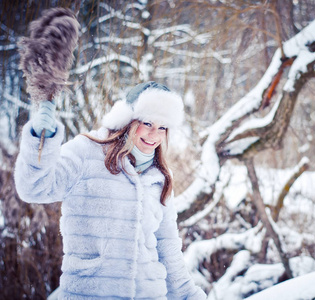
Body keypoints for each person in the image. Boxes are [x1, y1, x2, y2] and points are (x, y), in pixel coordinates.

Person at [14, 82, 207, 300]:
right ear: (128, 120)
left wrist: (188, 295)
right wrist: (40, 141)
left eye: (163, 127)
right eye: (148, 123)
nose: (155, 134)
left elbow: (167, 246)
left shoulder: (160, 177)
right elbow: (34, 188)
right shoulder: (87, 152)